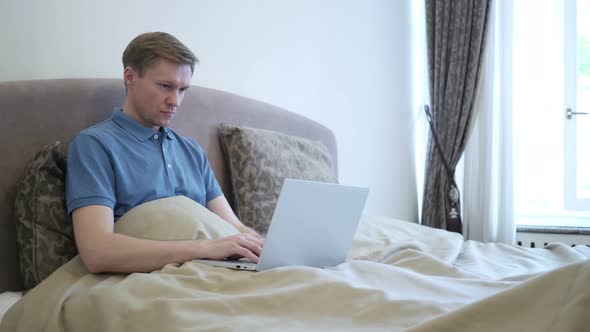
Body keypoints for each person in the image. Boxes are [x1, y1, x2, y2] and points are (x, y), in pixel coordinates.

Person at [66, 32, 264, 274]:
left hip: (210, 270)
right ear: (130, 77)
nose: (175, 101)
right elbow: (97, 251)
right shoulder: (95, 145)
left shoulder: (191, 151)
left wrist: (269, 249)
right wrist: (205, 248)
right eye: (165, 86)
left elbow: (234, 228)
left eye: (183, 90)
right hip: (145, 277)